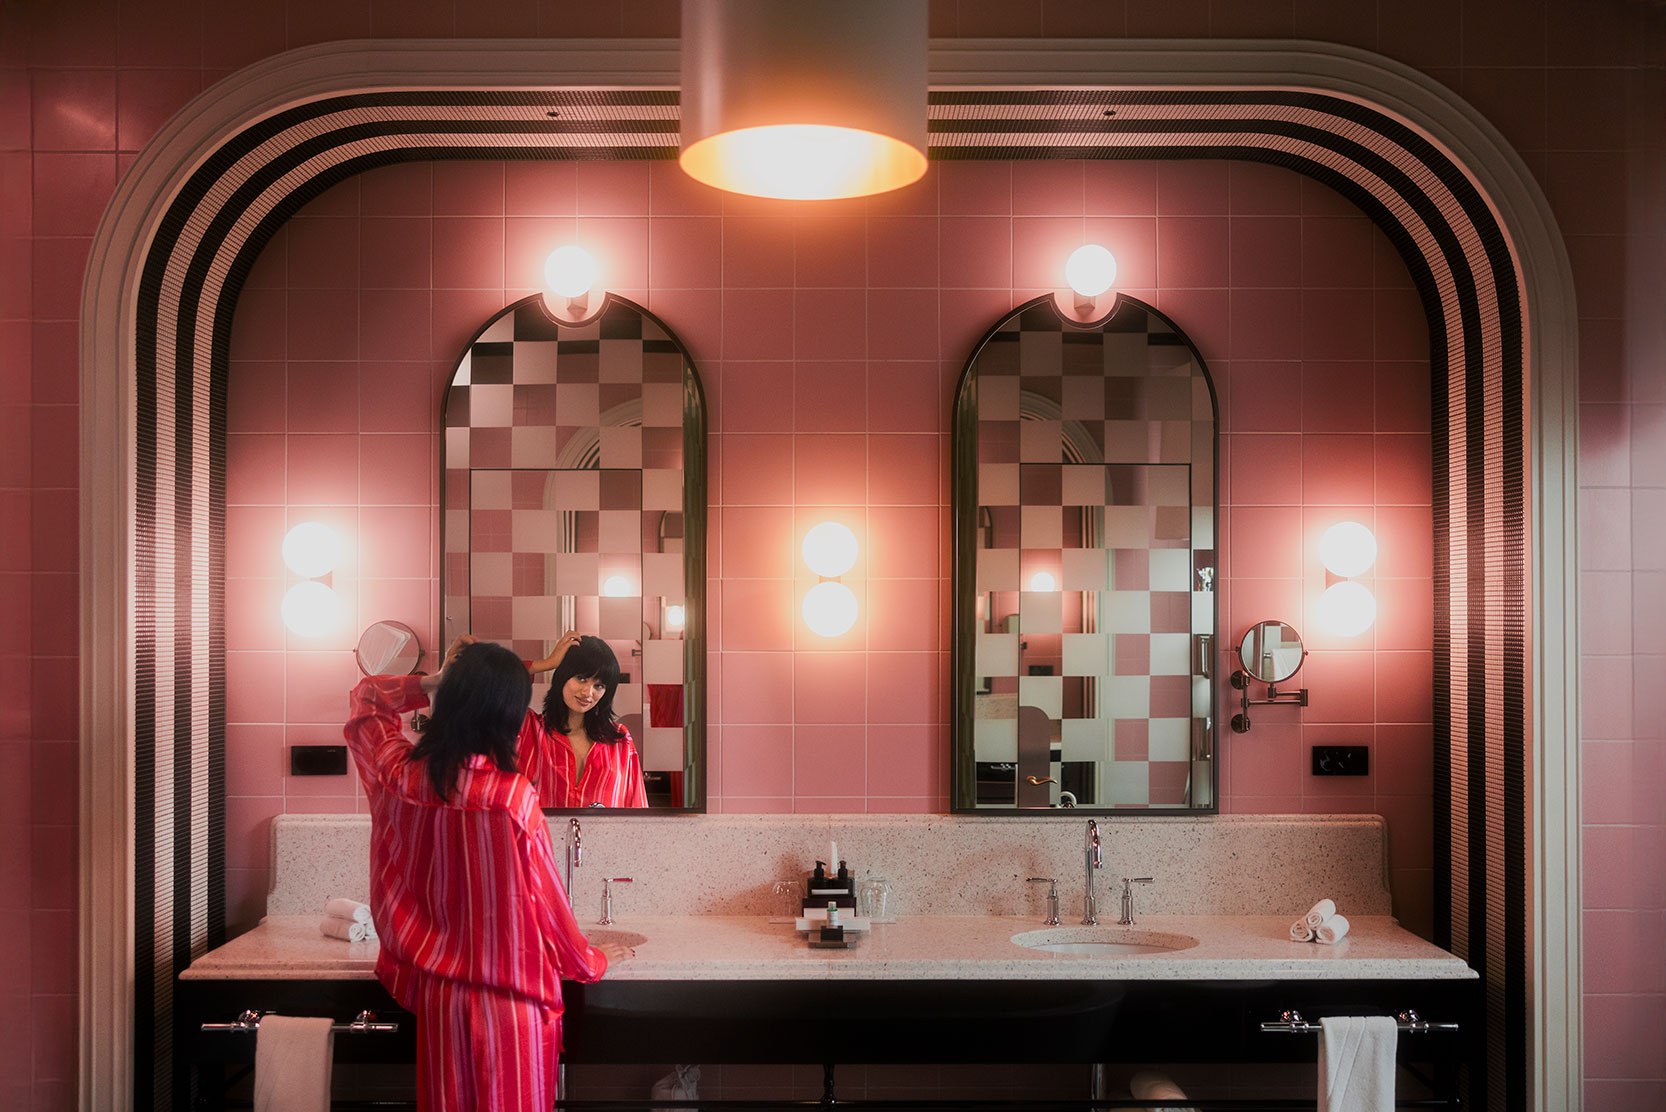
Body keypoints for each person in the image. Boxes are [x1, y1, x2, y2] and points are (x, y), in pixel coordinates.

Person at [344, 637, 631, 1111]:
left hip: (442, 1005)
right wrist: (591, 960)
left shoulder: (399, 775)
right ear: (509, 716)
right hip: (512, 1009)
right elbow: (548, 911)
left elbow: (367, 701)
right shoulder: (511, 798)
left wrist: (434, 680)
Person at [519, 631, 650, 809]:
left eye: (599, 685)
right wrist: (546, 663)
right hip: (539, 837)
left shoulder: (619, 741)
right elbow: (485, 686)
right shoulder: (528, 729)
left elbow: (637, 811)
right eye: (581, 678)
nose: (588, 693)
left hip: (607, 837)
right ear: (563, 676)